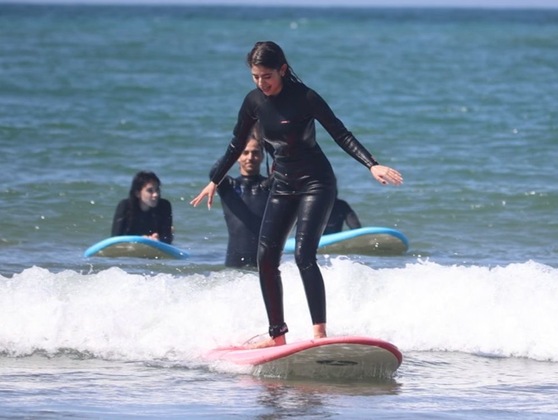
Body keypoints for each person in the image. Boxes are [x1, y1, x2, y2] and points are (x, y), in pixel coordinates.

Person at [191, 41, 403, 348]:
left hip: (316, 183)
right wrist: (215, 179)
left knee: (304, 255)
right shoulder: (253, 102)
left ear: (282, 69)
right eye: (255, 77)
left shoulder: (306, 98)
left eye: (267, 76)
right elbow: (236, 143)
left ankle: (319, 334)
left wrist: (372, 164)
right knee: (265, 259)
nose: (261, 83)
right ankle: (277, 335)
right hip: (282, 185)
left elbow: (340, 133)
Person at [214, 124, 271, 268]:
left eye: (255, 152)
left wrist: (267, 142)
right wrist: (236, 144)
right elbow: (215, 171)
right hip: (234, 265)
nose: (250, 157)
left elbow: (284, 166)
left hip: (264, 262)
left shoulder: (270, 186)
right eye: (245, 152)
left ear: (262, 156)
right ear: (237, 157)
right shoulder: (228, 187)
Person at [112, 170, 174, 244]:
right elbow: (115, 239)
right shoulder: (125, 206)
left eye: (157, 189)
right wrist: (140, 240)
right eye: (150, 191)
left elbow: (167, 240)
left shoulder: (164, 206)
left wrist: (158, 240)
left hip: (154, 244)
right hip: (129, 245)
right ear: (137, 193)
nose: (156, 194)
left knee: (171, 231)